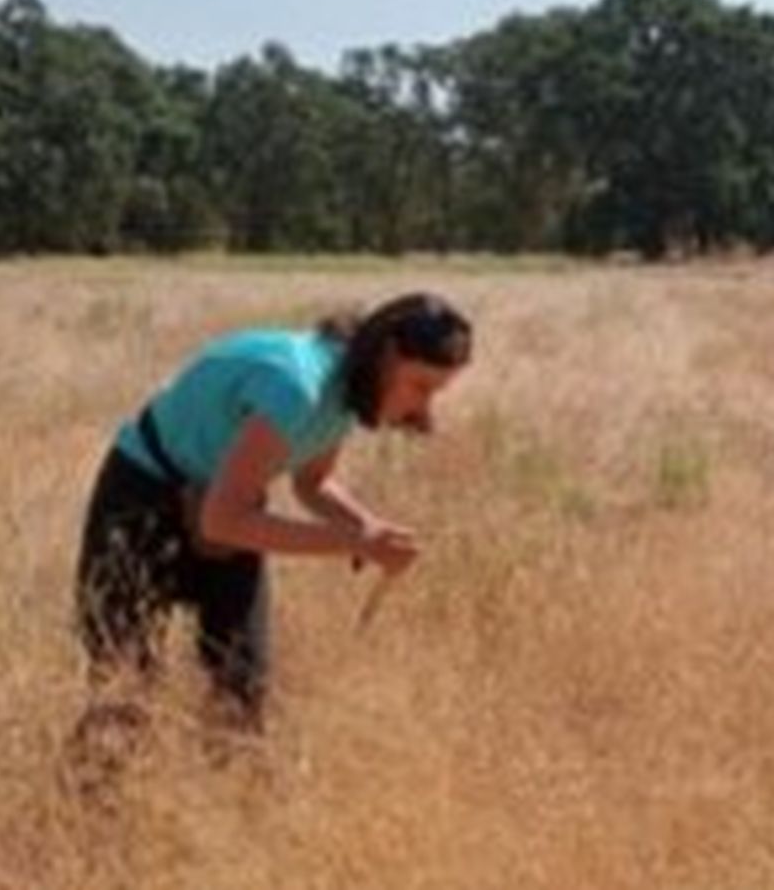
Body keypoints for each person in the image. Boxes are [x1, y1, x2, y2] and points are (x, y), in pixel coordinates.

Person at [68, 292, 472, 768]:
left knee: (242, 690)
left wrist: (368, 526)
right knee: (123, 695)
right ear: (386, 356)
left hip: (225, 501)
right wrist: (350, 541)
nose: (423, 412)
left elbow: (312, 483)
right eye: (420, 387)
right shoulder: (299, 388)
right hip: (143, 495)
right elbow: (223, 520)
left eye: (435, 393)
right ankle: (86, 823)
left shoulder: (347, 392)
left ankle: (230, 823)